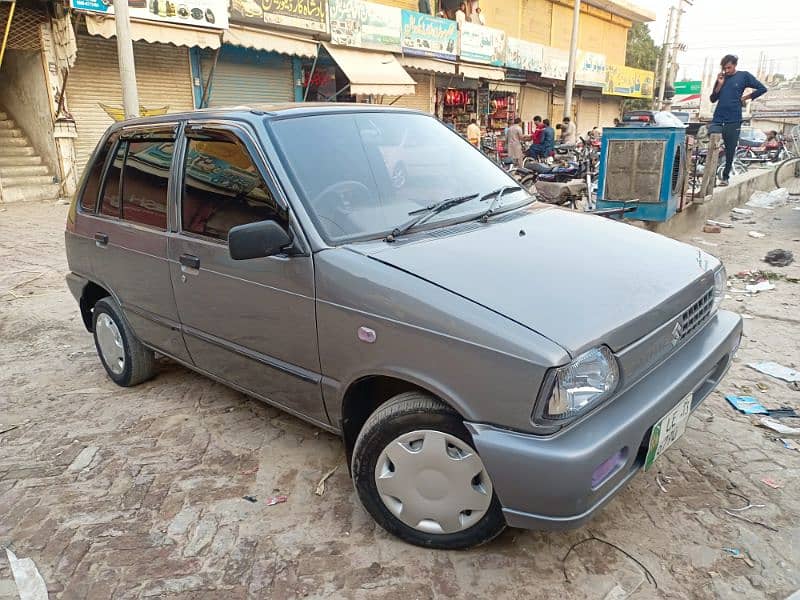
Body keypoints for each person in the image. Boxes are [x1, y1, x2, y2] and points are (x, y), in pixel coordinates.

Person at [709, 54, 767, 186]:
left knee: (730, 149)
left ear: (735, 65)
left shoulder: (744, 76)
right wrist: (719, 84)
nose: (727, 71)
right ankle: (710, 178)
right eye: (725, 68)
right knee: (713, 146)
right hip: (718, 118)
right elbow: (713, 99)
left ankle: (725, 177)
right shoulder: (721, 78)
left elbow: (762, 88)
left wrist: (745, 98)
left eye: (729, 68)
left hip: (734, 118)